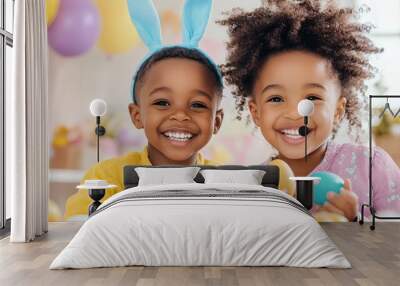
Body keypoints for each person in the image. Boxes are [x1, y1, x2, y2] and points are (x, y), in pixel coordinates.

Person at [219, 0, 400, 221]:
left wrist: (355, 226)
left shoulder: (372, 167)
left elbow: (393, 248)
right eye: (276, 98)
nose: (296, 113)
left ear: (338, 111)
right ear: (256, 112)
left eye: (312, 97)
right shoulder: (254, 186)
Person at [64, 0, 224, 220]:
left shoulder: (226, 181)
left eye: (197, 104)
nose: (180, 115)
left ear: (216, 121)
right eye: (162, 102)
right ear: (137, 115)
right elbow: (77, 227)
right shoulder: (107, 177)